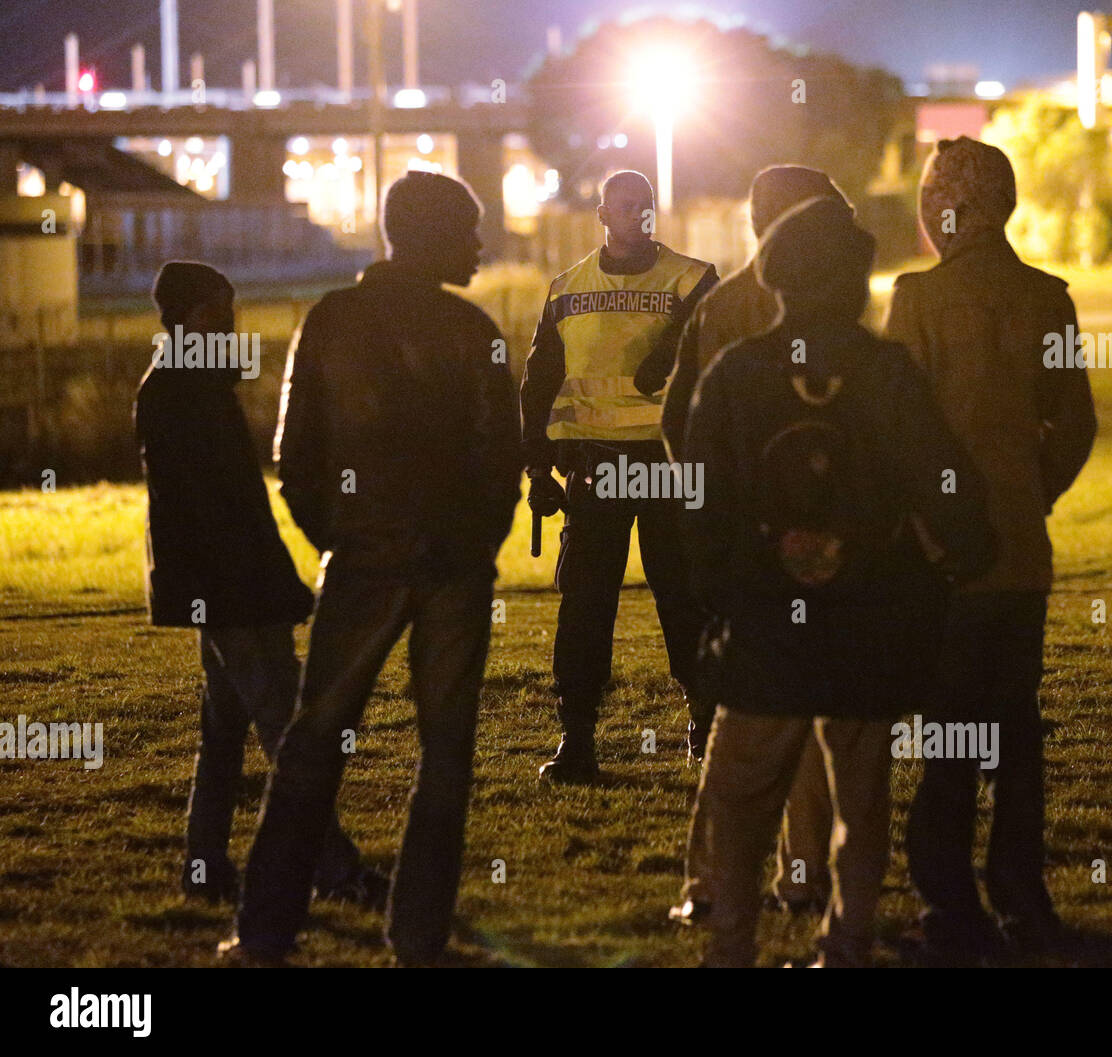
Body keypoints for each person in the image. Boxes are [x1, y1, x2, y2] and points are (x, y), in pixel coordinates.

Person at [682, 196, 997, 967]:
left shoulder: (736, 374)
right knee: (861, 792)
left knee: (739, 796)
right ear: (855, 280)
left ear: (776, 278)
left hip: (763, 624)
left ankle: (732, 944)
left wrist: (723, 588)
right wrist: (965, 548)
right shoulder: (884, 371)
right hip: (868, 615)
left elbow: (698, 497)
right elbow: (942, 475)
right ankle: (848, 941)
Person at [218, 172, 521, 966]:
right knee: (445, 757)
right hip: (451, 571)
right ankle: (417, 936)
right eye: (470, 229)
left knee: (311, 748)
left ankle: (264, 932)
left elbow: (297, 460)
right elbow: (501, 462)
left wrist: (346, 537)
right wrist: (468, 550)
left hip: (360, 563)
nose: (481, 246)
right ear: (431, 235)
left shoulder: (330, 320)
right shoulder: (475, 329)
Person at [885, 136, 1097, 963]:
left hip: (944, 554)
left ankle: (948, 901)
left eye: (933, 198)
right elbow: (1074, 422)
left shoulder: (918, 299)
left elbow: (902, 429)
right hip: (1020, 550)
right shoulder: (1050, 298)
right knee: (1014, 725)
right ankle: (1020, 888)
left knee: (946, 734)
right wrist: (1031, 491)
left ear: (956, 208)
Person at [134, 260, 377, 908]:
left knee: (225, 732)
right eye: (222, 306)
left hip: (223, 588)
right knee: (285, 730)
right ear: (198, 313)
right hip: (232, 588)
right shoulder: (187, 392)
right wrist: (270, 582)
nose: (233, 318)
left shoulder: (182, 386)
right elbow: (224, 510)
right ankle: (333, 867)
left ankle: (205, 866)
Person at [665, 165, 852, 924]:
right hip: (820, 546)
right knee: (803, 719)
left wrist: (713, 514)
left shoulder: (719, 308)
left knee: (742, 715)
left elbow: (679, 420)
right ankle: (800, 877)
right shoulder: (831, 311)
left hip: (747, 543)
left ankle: (712, 880)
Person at [520, 170, 719, 783]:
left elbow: (718, 354)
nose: (637, 215)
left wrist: (674, 352)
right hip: (596, 464)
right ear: (602, 213)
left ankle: (705, 727)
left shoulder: (694, 279)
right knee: (585, 605)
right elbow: (539, 381)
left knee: (684, 599)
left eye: (646, 206)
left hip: (667, 466)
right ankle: (576, 740)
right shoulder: (566, 286)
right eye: (625, 206)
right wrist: (536, 465)